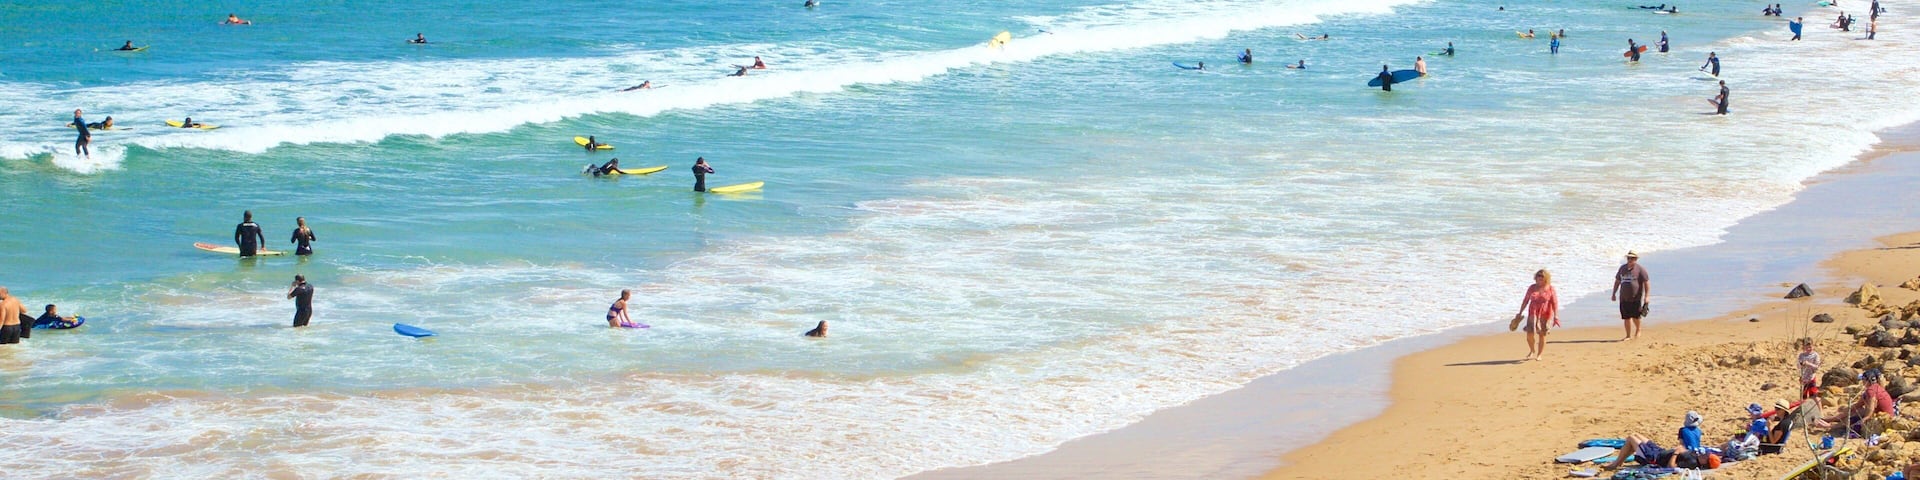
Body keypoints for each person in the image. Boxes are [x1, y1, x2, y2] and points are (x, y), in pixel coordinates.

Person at [1513, 269, 1559, 361]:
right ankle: (1532, 350)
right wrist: (1520, 312)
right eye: (1538, 275)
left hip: (1545, 314)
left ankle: (1539, 354)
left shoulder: (1550, 288)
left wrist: (1556, 316)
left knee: (1542, 335)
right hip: (1532, 314)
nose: (1540, 278)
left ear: (1546, 278)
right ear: (1536, 277)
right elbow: (1525, 300)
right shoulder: (1532, 287)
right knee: (1529, 334)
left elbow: (1554, 303)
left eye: (1542, 276)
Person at [1611, 251, 1650, 340]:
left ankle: (1638, 329)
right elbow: (1617, 281)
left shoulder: (1640, 269)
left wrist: (1647, 296)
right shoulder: (1622, 268)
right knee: (1626, 317)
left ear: (1636, 259)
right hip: (1623, 298)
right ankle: (1628, 335)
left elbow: (1646, 282)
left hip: (1635, 298)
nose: (1630, 260)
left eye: (1632, 258)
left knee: (1635, 317)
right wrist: (1614, 293)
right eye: (1628, 258)